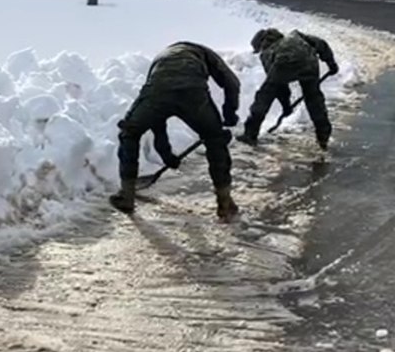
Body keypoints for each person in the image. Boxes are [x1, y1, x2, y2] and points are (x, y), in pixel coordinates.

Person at [110, 41, 242, 222]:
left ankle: (127, 196)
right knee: (215, 140)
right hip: (193, 93)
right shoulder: (204, 53)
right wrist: (229, 114)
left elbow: (157, 120)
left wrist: (166, 154)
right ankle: (225, 203)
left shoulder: (161, 58)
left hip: (157, 91)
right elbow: (232, 83)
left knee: (130, 133)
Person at [237, 28, 339, 151]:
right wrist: (331, 63)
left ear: (262, 44)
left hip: (283, 64)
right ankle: (323, 135)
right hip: (310, 63)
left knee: (263, 97)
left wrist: (286, 106)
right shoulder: (297, 36)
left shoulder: (267, 53)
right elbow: (321, 44)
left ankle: (250, 134)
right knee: (313, 98)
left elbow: (278, 87)